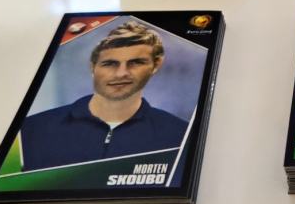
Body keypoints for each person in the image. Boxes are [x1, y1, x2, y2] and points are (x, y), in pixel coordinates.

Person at [19, 22, 188, 170]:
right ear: (93, 67)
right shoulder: (31, 130)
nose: (121, 73)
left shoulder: (180, 135)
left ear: (156, 64)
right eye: (110, 64)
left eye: (136, 62)